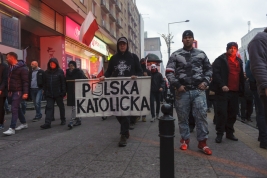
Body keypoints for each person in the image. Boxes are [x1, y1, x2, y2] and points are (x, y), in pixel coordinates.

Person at [166, 30, 213, 155]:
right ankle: (185, 140)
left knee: (201, 116)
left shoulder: (201, 54)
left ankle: (202, 142)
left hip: (199, 90)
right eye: (185, 37)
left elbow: (209, 70)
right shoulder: (176, 55)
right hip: (182, 91)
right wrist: (177, 85)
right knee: (182, 117)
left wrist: (206, 82)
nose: (187, 39)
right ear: (182, 40)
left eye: (190, 37)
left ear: (193, 39)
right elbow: (169, 71)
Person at [99, 36, 143, 147]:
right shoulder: (113, 58)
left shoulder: (133, 58)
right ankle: (126, 129)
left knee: (125, 112)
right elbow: (109, 72)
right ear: (118, 46)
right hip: (116, 90)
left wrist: (135, 76)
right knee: (116, 111)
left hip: (129, 89)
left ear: (127, 45)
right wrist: (104, 77)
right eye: (120, 44)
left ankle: (123, 135)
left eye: (124, 44)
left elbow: (140, 72)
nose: (122, 45)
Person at [211, 42, 244, 143]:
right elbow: (215, 74)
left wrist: (242, 89)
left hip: (235, 91)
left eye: (235, 48)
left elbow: (241, 76)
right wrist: (222, 85)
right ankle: (219, 133)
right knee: (222, 113)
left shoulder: (239, 61)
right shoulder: (220, 60)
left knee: (232, 113)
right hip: (223, 92)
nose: (233, 50)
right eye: (230, 48)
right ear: (227, 49)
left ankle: (229, 133)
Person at [248, 28, 267, 149]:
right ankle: (264, 139)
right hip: (259, 88)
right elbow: (257, 64)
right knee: (261, 113)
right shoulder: (260, 39)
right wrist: (265, 84)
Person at [3, 52, 29, 135]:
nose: (6, 59)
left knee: (14, 108)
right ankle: (24, 123)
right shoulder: (9, 68)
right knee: (17, 108)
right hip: (11, 91)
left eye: (7, 57)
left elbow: (25, 81)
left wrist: (25, 93)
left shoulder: (22, 68)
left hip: (18, 91)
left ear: (12, 58)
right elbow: (6, 80)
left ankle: (12, 128)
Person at [40, 58, 66, 129]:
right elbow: (44, 83)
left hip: (58, 93)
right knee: (49, 107)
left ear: (56, 64)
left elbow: (63, 82)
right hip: (49, 94)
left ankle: (63, 119)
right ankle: (47, 123)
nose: (52, 64)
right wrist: (45, 91)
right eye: (51, 63)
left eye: (53, 63)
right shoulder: (46, 72)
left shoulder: (60, 71)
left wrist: (63, 92)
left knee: (61, 107)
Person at [66, 61, 87, 129]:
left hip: (78, 91)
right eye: (69, 65)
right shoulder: (67, 73)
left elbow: (83, 80)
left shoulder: (79, 72)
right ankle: (78, 119)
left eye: (72, 65)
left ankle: (71, 121)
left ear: (75, 66)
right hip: (71, 92)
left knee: (75, 106)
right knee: (75, 106)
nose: (71, 67)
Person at [0, 61, 8, 130]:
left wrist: (1, 89)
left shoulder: (4, 66)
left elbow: (5, 80)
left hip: (2, 91)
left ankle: (1, 123)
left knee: (1, 107)